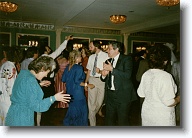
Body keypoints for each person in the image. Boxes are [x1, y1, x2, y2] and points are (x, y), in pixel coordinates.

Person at [5, 56, 71, 126]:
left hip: (13, 115)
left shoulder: (24, 73)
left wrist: (38, 85)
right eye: (47, 72)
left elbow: (24, 90)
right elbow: (38, 106)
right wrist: (54, 98)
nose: (46, 75)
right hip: (22, 118)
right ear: (42, 68)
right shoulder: (31, 81)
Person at [137, 44, 180, 126]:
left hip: (147, 113)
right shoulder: (166, 76)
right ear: (165, 60)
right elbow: (169, 102)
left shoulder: (146, 73)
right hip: (162, 116)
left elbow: (141, 94)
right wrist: (179, 99)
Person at [100, 41, 137, 126]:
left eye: (109, 49)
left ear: (116, 49)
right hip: (110, 95)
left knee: (122, 121)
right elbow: (104, 79)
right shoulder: (108, 61)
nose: (107, 51)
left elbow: (127, 76)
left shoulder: (127, 59)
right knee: (108, 121)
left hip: (123, 96)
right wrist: (103, 75)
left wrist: (112, 69)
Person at [62, 50, 94, 126]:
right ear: (76, 58)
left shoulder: (68, 67)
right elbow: (77, 81)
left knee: (73, 112)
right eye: (80, 56)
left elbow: (63, 79)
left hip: (70, 92)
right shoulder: (79, 67)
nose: (81, 57)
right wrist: (88, 85)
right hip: (78, 94)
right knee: (82, 113)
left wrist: (83, 73)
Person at [85, 40, 109, 126]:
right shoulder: (91, 57)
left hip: (102, 80)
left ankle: (91, 115)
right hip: (92, 80)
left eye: (91, 47)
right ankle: (92, 124)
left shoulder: (106, 56)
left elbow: (109, 70)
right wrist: (86, 82)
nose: (89, 48)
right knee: (91, 104)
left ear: (96, 47)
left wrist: (100, 71)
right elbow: (89, 70)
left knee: (100, 102)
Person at [0, 46, 23, 126]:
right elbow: (11, 85)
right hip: (8, 100)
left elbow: (4, 81)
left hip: (3, 98)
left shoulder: (5, 65)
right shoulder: (11, 67)